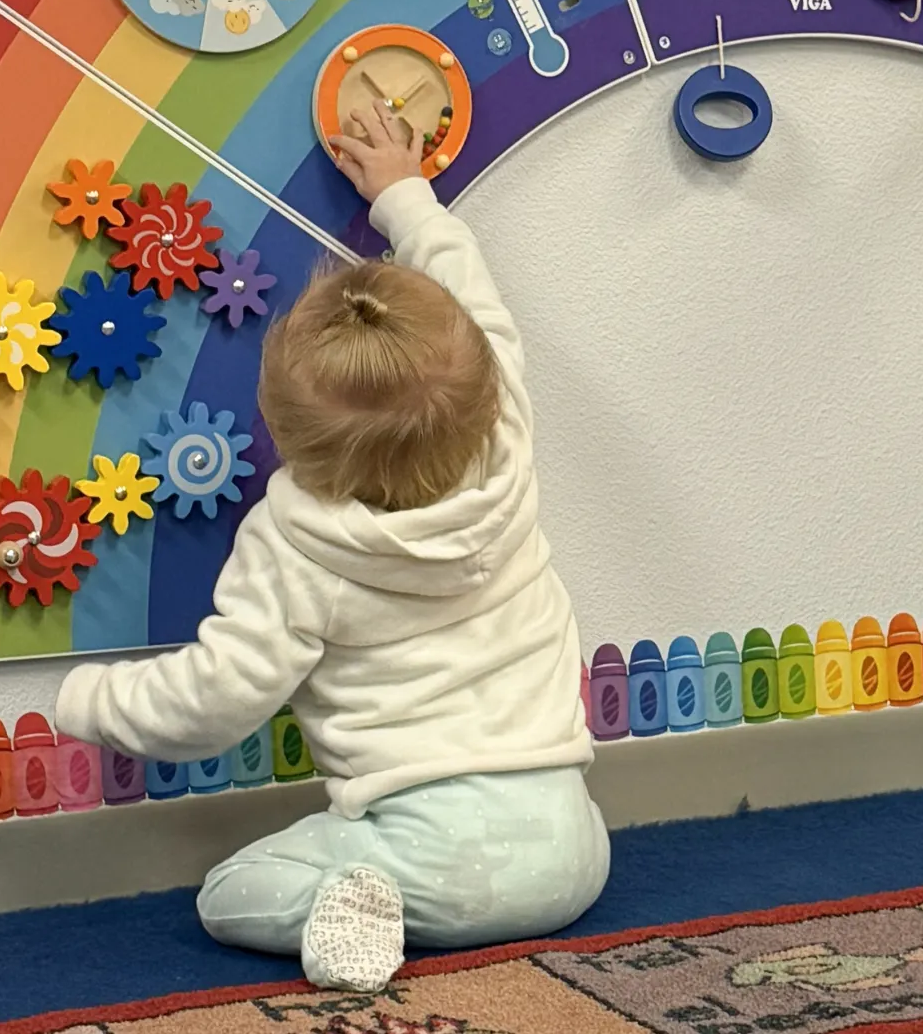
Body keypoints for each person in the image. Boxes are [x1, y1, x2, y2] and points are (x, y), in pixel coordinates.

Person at [58, 102, 607, 989]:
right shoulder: (507, 429)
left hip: (429, 855)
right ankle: (392, 891)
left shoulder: (297, 545)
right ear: (479, 386)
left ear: (285, 438)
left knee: (230, 894)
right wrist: (405, 194)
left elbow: (214, 700)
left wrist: (90, 699)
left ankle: (356, 898)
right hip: (575, 847)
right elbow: (470, 291)